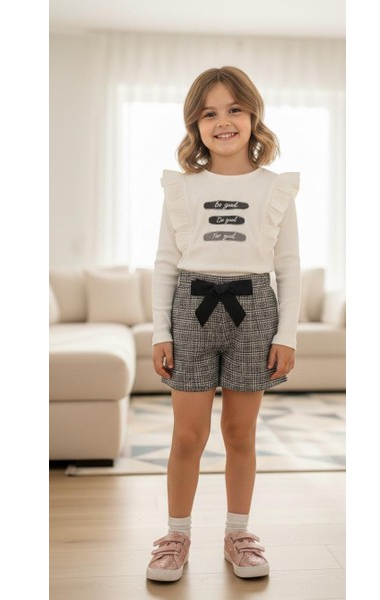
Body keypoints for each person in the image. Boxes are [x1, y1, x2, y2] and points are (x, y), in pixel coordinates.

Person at [146, 66, 301, 582]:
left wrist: (287, 335)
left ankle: (239, 533)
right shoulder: (181, 188)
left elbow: (289, 266)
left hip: (255, 312)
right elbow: (165, 263)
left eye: (235, 109)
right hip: (189, 311)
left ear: (254, 115)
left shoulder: (276, 188)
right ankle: (176, 535)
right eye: (209, 113)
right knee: (188, 435)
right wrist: (161, 331)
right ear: (195, 124)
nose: (223, 121)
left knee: (240, 433)